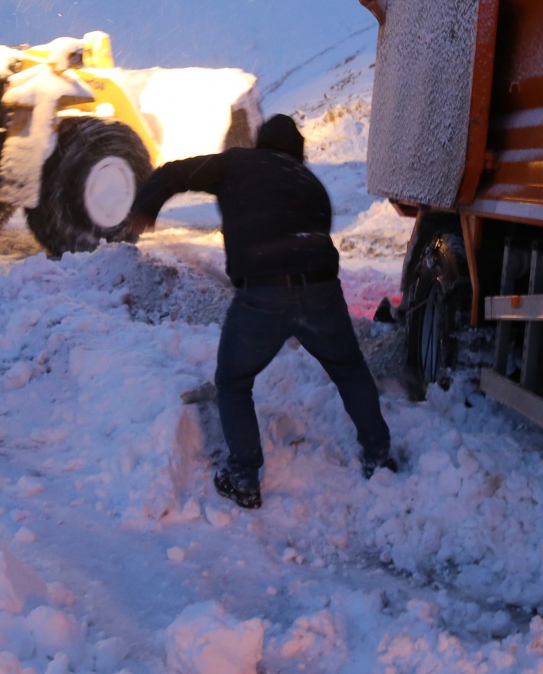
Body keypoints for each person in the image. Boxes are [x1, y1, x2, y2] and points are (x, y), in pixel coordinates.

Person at [125, 113, 394, 509]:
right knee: (350, 369)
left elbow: (173, 173)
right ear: (297, 151)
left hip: (264, 296)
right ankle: (379, 457)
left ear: (261, 143)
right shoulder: (311, 183)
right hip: (322, 292)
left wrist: (147, 206)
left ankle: (244, 478)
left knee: (233, 382)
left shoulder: (236, 163)